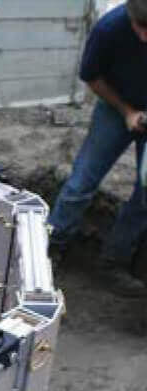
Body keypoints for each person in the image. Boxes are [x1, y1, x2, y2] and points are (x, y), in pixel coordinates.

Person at [48, 0, 147, 296]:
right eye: (140, 28)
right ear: (129, 17)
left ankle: (114, 261)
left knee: (145, 198)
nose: (145, 37)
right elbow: (92, 77)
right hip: (115, 109)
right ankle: (50, 251)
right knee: (81, 182)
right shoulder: (109, 28)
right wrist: (128, 111)